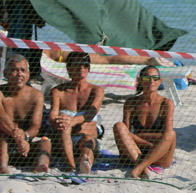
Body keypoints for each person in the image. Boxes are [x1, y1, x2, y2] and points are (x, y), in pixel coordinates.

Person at [113, 67, 177, 179]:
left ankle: (139, 169)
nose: (151, 81)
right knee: (118, 126)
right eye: (147, 78)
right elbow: (124, 134)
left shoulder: (166, 103)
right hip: (135, 152)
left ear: (160, 81)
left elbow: (167, 134)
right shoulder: (131, 103)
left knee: (171, 134)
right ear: (140, 81)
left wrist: (137, 136)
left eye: (155, 78)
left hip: (158, 156)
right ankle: (142, 167)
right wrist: (149, 144)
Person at [47, 52, 104, 174]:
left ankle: (85, 164)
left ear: (89, 68)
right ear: (68, 67)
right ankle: (71, 166)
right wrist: (60, 121)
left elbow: (91, 113)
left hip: (86, 139)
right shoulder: (58, 91)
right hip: (61, 142)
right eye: (77, 63)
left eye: (85, 64)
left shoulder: (96, 90)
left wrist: (72, 120)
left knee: (88, 140)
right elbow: (52, 115)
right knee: (64, 126)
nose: (81, 67)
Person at [0, 55, 50, 173]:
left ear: (28, 74)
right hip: (3, 144)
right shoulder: (1, 93)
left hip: (23, 148)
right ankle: (3, 167)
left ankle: (41, 166)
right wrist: (18, 136)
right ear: (5, 74)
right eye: (14, 70)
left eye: (23, 70)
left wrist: (25, 136)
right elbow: (2, 118)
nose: (19, 74)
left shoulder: (36, 96)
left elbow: (35, 126)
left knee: (46, 143)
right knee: (3, 136)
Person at [42, 49, 175, 67]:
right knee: (108, 59)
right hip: (62, 54)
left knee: (108, 60)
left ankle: (148, 60)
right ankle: (148, 59)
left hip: (62, 56)